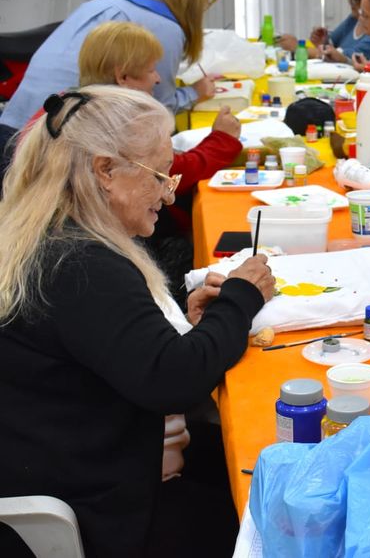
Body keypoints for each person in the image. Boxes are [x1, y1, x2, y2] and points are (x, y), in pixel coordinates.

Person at [0, 86, 275, 557]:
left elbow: (111, 348)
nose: (169, 195)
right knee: (265, 510)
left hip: (66, 462)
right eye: (159, 176)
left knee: (246, 457)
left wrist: (188, 327)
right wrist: (242, 297)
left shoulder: (46, 235)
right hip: (100, 511)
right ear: (105, 171)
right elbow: (177, 381)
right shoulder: (81, 262)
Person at [75, 21, 243, 304]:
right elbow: (176, 170)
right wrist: (222, 141)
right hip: (133, 247)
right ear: (124, 76)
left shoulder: (80, 108)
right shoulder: (115, 124)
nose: (157, 79)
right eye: (151, 70)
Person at [0, 0, 220, 133]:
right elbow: (157, 108)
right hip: (53, 139)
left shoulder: (105, 3)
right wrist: (195, 92)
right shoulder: (165, 27)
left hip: (15, 125)